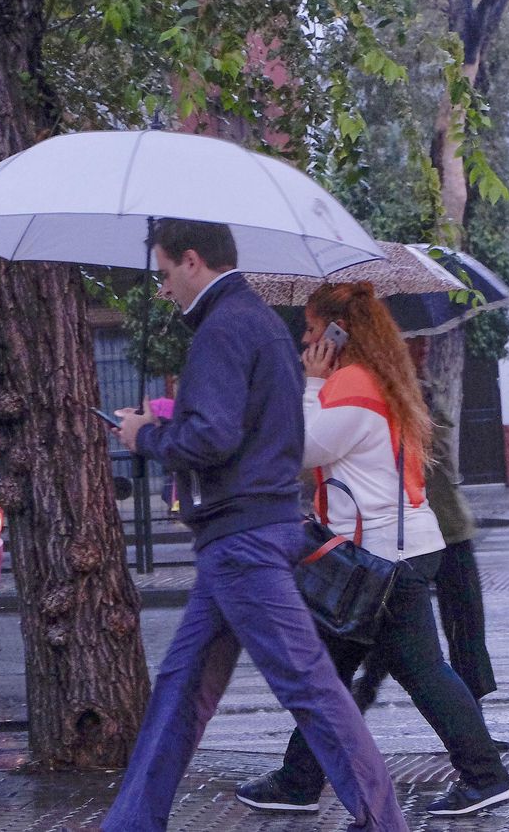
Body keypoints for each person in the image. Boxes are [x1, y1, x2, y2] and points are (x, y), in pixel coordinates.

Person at [105, 220, 405, 832]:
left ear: (192, 261)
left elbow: (211, 436)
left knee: (309, 689)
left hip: (241, 541)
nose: (162, 289)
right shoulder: (260, 321)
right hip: (246, 535)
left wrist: (145, 434)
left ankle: (384, 821)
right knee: (180, 690)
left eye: (164, 274)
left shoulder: (222, 328)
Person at [236, 282, 509, 818]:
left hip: (383, 559)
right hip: (390, 553)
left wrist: (308, 384)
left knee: (420, 673)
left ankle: (485, 776)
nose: (305, 336)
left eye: (313, 327)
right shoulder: (372, 378)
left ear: (340, 332)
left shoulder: (351, 384)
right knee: (333, 670)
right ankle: (299, 779)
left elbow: (301, 449)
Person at [351, 336, 505, 751]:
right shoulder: (391, 393)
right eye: (413, 342)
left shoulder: (422, 387)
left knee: (464, 626)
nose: (424, 349)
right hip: (420, 530)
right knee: (399, 634)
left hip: (450, 523)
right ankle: (359, 702)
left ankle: (474, 726)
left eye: (424, 343)